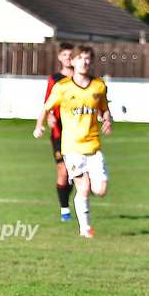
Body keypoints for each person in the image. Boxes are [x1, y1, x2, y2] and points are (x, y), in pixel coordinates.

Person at [34, 45, 112, 238]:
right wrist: (39, 125)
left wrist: (107, 120)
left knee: (100, 190)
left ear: (91, 61)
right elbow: (46, 107)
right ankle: (85, 229)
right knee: (83, 188)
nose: (84, 62)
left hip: (93, 146)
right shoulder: (62, 87)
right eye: (80, 58)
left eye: (87, 58)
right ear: (73, 61)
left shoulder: (99, 85)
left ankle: (86, 189)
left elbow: (104, 108)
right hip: (72, 147)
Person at [34, 43, 74, 221]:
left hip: (79, 133)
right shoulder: (55, 79)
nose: (68, 58)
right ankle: (64, 210)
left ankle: (77, 204)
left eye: (71, 55)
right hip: (59, 132)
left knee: (75, 174)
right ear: (59, 57)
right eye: (64, 55)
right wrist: (47, 118)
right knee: (63, 171)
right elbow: (47, 103)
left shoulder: (82, 80)